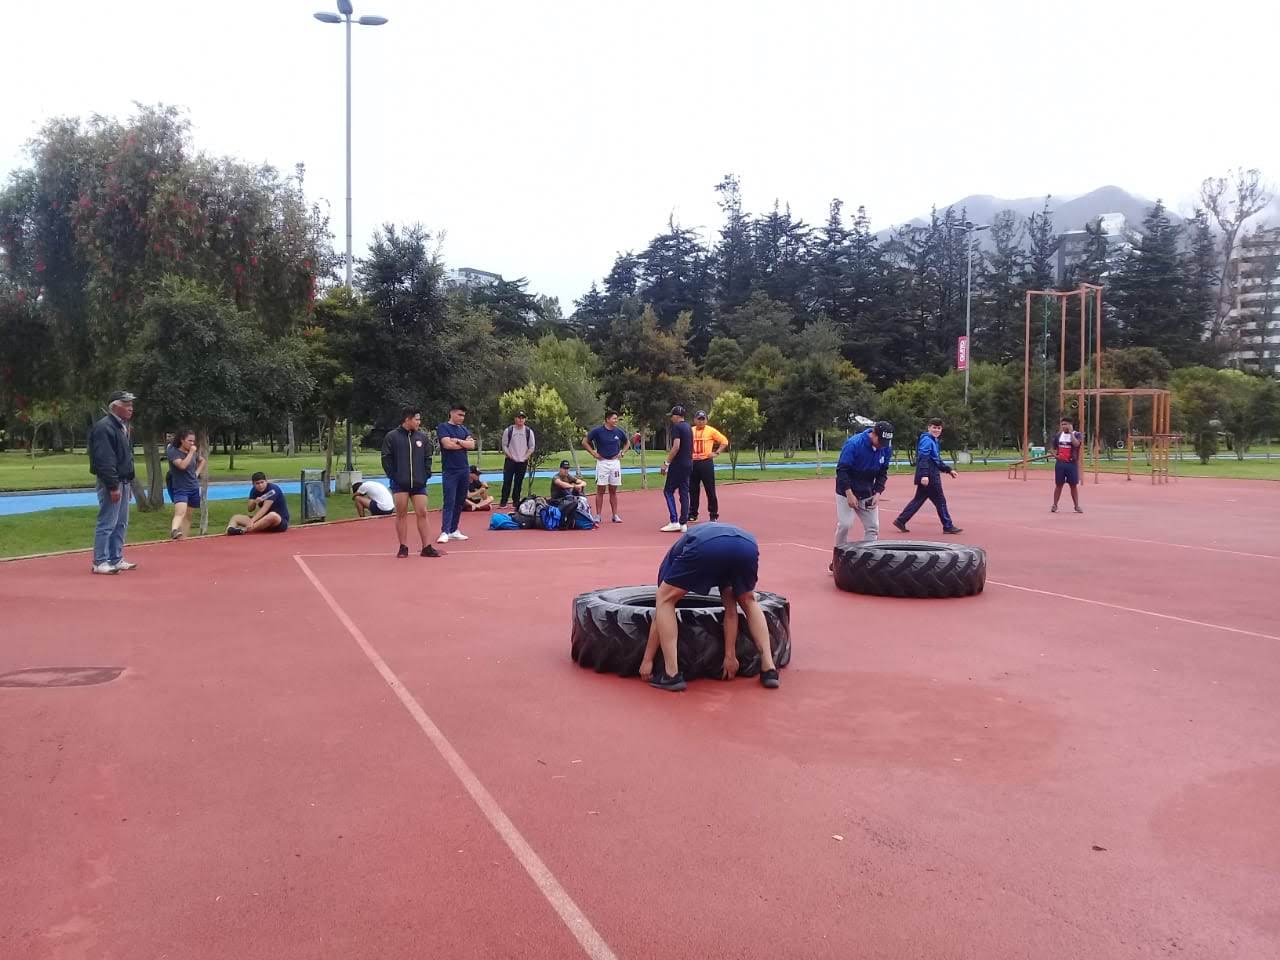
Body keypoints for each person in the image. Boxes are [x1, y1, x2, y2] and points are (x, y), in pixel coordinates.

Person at [640, 523, 781, 692]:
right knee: (749, 601)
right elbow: (730, 611)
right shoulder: (721, 563)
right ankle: (769, 668)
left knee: (664, 599)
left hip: (706, 546)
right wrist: (730, 656)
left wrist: (647, 659)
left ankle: (671, 675)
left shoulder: (669, 564)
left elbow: (660, 613)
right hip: (746, 544)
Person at [380, 406, 443, 557]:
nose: (419, 422)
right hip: (399, 483)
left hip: (419, 483)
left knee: (422, 512)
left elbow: (428, 457)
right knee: (401, 513)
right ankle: (403, 546)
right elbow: (386, 458)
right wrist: (393, 475)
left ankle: (426, 546)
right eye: (417, 419)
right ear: (407, 419)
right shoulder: (392, 437)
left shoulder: (422, 437)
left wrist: (426, 474)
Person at [87, 390, 138, 574]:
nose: (131, 408)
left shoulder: (122, 426)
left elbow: (126, 458)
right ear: (115, 406)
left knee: (121, 522)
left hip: (123, 481)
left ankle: (116, 558)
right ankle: (99, 561)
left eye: (131, 404)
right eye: (126, 404)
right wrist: (112, 485)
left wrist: (129, 482)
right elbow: (105, 459)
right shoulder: (105, 427)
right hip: (112, 482)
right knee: (108, 521)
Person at [832, 420, 894, 570]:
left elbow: (882, 472)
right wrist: (848, 493)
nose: (882, 445)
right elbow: (842, 470)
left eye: (886, 442)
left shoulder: (886, 448)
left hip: (867, 491)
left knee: (873, 527)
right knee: (846, 524)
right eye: (881, 441)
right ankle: (838, 560)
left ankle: (867, 560)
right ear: (873, 434)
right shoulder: (854, 444)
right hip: (846, 490)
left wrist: (878, 492)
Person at [892, 418, 962, 535]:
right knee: (940, 501)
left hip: (930, 473)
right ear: (929, 427)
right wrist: (924, 475)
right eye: (934, 427)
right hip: (929, 475)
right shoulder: (927, 440)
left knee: (919, 499)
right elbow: (924, 458)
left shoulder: (934, 441)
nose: (936, 430)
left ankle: (901, 520)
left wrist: (949, 470)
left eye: (939, 428)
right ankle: (948, 526)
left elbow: (936, 460)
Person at [436, 403, 477, 543]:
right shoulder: (443, 427)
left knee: (460, 501)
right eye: (459, 415)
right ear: (452, 413)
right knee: (449, 501)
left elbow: (472, 445)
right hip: (450, 470)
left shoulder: (463, 429)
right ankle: (445, 531)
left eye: (463, 415)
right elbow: (447, 444)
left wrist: (458, 441)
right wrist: (463, 444)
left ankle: (454, 529)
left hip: (464, 470)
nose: (462, 418)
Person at [583, 410, 630, 523]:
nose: (616, 421)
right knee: (601, 489)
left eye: (616, 419)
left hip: (615, 463)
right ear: (607, 419)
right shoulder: (597, 431)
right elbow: (585, 442)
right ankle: (598, 515)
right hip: (602, 463)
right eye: (614, 418)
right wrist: (593, 453)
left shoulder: (619, 432)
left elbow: (627, 443)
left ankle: (615, 515)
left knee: (613, 490)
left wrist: (622, 453)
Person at [688, 410, 729, 523]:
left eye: (703, 419)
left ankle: (713, 514)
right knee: (693, 490)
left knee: (710, 489)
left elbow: (724, 441)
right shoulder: (690, 431)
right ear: (695, 420)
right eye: (699, 419)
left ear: (706, 420)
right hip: (693, 463)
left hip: (706, 462)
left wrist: (716, 452)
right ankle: (692, 514)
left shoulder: (711, 431)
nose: (701, 422)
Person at [165, 427, 206, 540]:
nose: (192, 443)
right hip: (180, 487)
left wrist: (196, 473)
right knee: (180, 512)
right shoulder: (173, 451)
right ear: (182, 440)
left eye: (193, 441)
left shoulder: (191, 452)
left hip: (193, 486)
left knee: (188, 515)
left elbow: (202, 460)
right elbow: (182, 466)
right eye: (190, 441)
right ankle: (174, 530)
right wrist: (191, 452)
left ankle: (183, 537)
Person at [659, 405, 693, 532]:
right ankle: (683, 523)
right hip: (688, 463)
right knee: (684, 492)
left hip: (678, 464)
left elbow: (676, 446)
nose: (671, 418)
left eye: (672, 416)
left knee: (668, 491)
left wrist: (666, 463)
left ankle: (674, 520)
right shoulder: (688, 427)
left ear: (676, 416)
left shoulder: (677, 427)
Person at [499, 411, 535, 507]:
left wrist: (525, 457)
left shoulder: (528, 431)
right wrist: (510, 455)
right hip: (510, 460)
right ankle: (503, 501)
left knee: (518, 482)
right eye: (519, 417)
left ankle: (516, 502)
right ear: (515, 418)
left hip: (522, 461)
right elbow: (504, 445)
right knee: (507, 481)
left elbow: (532, 446)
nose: (521, 419)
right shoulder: (509, 430)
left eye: (523, 418)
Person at [1052, 416, 1085, 513]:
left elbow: (1076, 444)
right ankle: (1054, 505)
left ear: (1070, 425)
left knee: (1073, 485)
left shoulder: (1077, 435)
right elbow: (1053, 448)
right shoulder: (1058, 435)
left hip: (1072, 464)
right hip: (1060, 464)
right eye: (1062, 424)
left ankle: (1076, 506)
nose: (1063, 426)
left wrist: (1071, 433)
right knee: (1059, 484)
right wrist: (1055, 456)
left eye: (1065, 424)